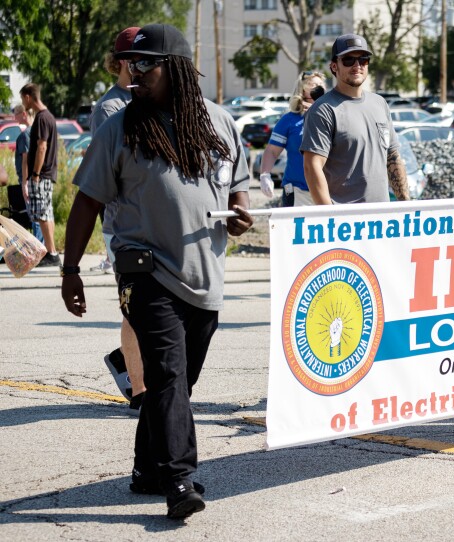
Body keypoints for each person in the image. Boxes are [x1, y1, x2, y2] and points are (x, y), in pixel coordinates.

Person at [60, 23, 253, 519]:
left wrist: (239, 213)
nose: (134, 71)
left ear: (178, 69)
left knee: (180, 384)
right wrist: (70, 269)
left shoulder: (220, 124)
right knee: (166, 377)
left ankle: (148, 469)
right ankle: (179, 480)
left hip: (204, 274)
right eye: (131, 63)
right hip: (144, 270)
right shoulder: (120, 127)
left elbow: (238, 188)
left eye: (146, 63)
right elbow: (86, 202)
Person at [89, 27, 147, 412]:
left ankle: (123, 358)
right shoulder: (110, 108)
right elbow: (105, 172)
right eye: (142, 58)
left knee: (159, 307)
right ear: (124, 62)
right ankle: (141, 391)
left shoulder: (155, 98)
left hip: (155, 219)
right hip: (122, 223)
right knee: (136, 306)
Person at [301, 33, 409, 204]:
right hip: (346, 224)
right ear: (334, 66)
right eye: (348, 60)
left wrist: (406, 206)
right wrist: (330, 219)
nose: (357, 65)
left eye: (363, 59)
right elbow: (312, 167)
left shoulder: (380, 103)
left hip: (382, 219)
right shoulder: (323, 110)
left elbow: (392, 157)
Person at [259, 70, 326, 207]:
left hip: (328, 191)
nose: (319, 88)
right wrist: (264, 175)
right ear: (302, 89)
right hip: (298, 192)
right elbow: (272, 151)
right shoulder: (290, 120)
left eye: (321, 84)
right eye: (313, 84)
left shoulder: (330, 117)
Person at [19, 83, 60, 267]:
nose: (23, 103)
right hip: (47, 174)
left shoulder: (42, 118)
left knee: (42, 215)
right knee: (47, 214)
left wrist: (35, 174)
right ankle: (52, 252)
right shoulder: (48, 116)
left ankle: (51, 254)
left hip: (41, 174)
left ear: (28, 97)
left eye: (22, 98)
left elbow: (42, 147)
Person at [12, 104, 44, 243]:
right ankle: (43, 248)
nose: (14, 117)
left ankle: (38, 248)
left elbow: (25, 160)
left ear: (24, 114)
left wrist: (25, 183)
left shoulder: (25, 135)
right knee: (40, 215)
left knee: (34, 216)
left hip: (29, 180)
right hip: (39, 177)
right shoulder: (38, 131)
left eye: (16, 114)